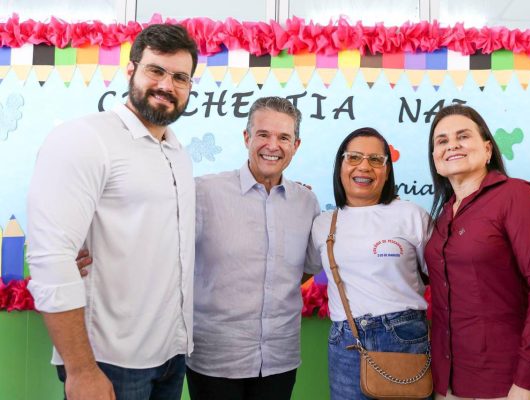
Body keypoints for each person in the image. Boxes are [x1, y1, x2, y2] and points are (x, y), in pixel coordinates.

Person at [27, 24, 198, 400]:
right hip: (107, 360)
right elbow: (51, 256)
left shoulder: (178, 153)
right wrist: (81, 369)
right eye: (156, 70)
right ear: (131, 70)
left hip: (171, 355)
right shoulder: (85, 139)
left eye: (180, 77)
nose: (167, 85)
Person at [424, 104, 530, 400]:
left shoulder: (515, 196)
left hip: (506, 382)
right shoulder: (443, 217)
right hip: (447, 382)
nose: (452, 145)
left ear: (488, 149)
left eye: (463, 136)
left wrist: (529, 377)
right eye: (442, 141)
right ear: (436, 160)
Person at [185, 96, 321, 400]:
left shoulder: (307, 202)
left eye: (283, 137)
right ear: (247, 138)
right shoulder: (204, 192)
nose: (272, 145)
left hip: (279, 360)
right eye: (263, 134)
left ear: (296, 145)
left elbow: (302, 270)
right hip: (215, 360)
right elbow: (165, 251)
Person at [309, 127, 431, 399]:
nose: (364, 166)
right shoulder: (322, 224)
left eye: (376, 160)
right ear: (340, 166)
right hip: (346, 344)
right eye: (354, 157)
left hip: (404, 339)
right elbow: (296, 270)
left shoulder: (412, 215)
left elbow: (441, 275)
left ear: (387, 171)